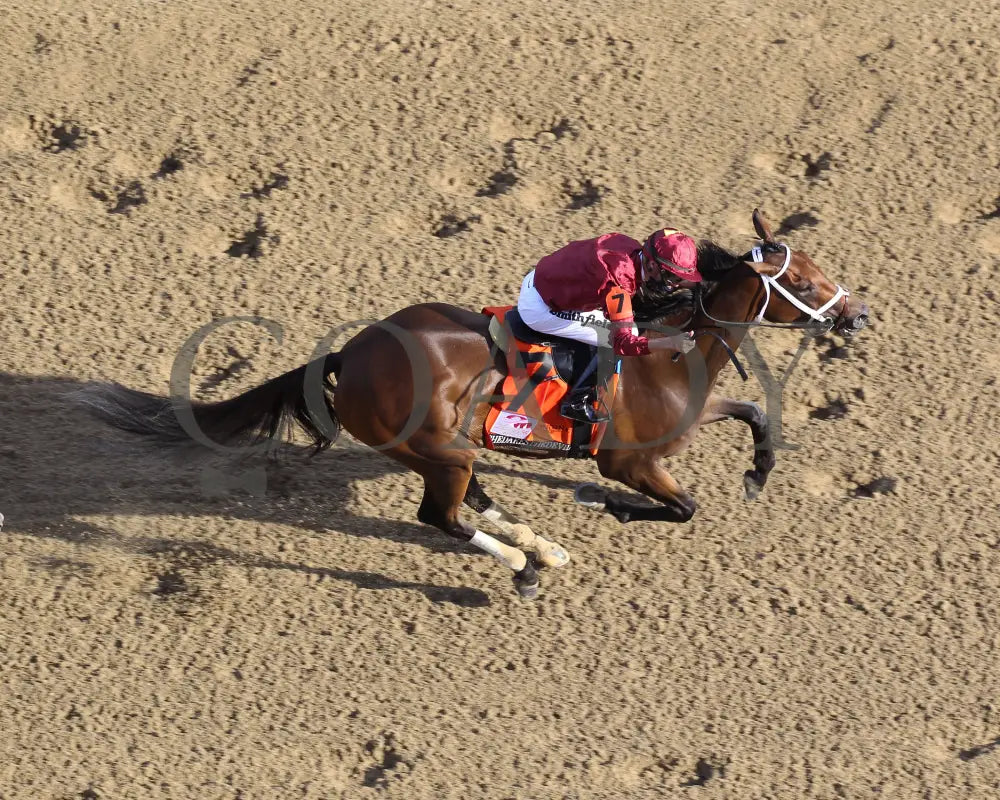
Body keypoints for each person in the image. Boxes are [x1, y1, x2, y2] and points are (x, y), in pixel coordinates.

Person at [516, 228, 702, 423]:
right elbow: (623, 343)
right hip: (539, 309)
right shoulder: (619, 283)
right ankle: (577, 401)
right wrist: (671, 343)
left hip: (538, 278)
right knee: (620, 334)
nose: (674, 285)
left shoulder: (628, 246)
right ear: (653, 265)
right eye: (673, 278)